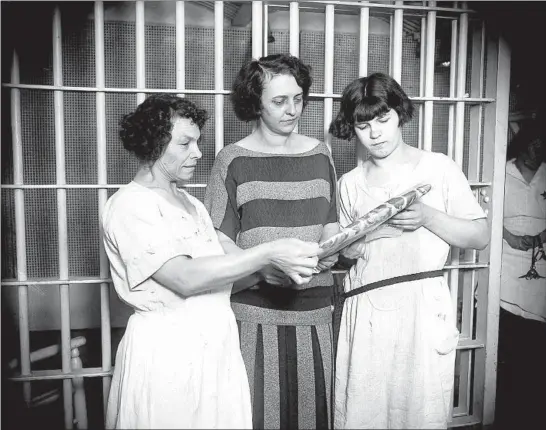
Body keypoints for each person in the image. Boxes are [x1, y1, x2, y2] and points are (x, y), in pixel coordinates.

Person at [101, 94, 321, 429]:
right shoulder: (129, 206)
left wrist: (270, 271)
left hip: (216, 350)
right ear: (153, 144)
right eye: (185, 143)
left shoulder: (191, 203)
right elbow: (184, 278)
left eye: (198, 142)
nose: (198, 153)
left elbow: (222, 272)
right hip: (168, 355)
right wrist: (265, 253)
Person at [329, 73, 489, 429]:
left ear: (399, 113)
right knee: (364, 410)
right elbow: (344, 253)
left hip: (421, 304)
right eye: (363, 125)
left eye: (383, 120)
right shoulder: (349, 184)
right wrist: (348, 250)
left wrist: (428, 216)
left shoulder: (438, 167)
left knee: (419, 412)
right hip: (366, 306)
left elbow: (479, 235)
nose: (375, 133)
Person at [204, 54, 340, 429]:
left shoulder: (319, 153)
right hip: (253, 310)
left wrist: (330, 247)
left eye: (298, 98)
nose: (292, 109)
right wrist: (264, 269)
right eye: (279, 101)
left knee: (314, 414)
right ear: (254, 102)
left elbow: (330, 221)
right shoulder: (231, 159)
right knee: (256, 414)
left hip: (315, 308)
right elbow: (217, 239)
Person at [495, 120, 546, 430]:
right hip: (508, 252)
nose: (535, 152)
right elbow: (483, 213)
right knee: (508, 320)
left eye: (541, 147)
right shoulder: (502, 172)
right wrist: (509, 236)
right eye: (530, 145)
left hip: (540, 254)